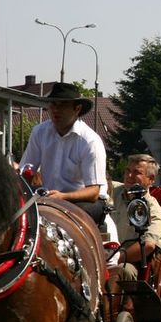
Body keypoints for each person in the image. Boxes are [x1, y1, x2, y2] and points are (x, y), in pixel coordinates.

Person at [20, 82, 108, 225]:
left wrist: (63, 196)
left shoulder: (90, 141)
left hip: (85, 202)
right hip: (51, 198)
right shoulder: (39, 132)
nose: (56, 110)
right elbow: (25, 172)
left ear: (77, 109)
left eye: (62, 105)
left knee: (72, 218)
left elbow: (93, 192)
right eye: (53, 104)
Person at [108, 154, 161, 301]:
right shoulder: (111, 191)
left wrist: (116, 258)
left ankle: (110, 310)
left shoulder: (154, 211)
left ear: (151, 179)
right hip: (98, 253)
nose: (129, 176)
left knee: (122, 270)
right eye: (127, 171)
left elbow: (148, 245)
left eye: (137, 172)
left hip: (126, 262)